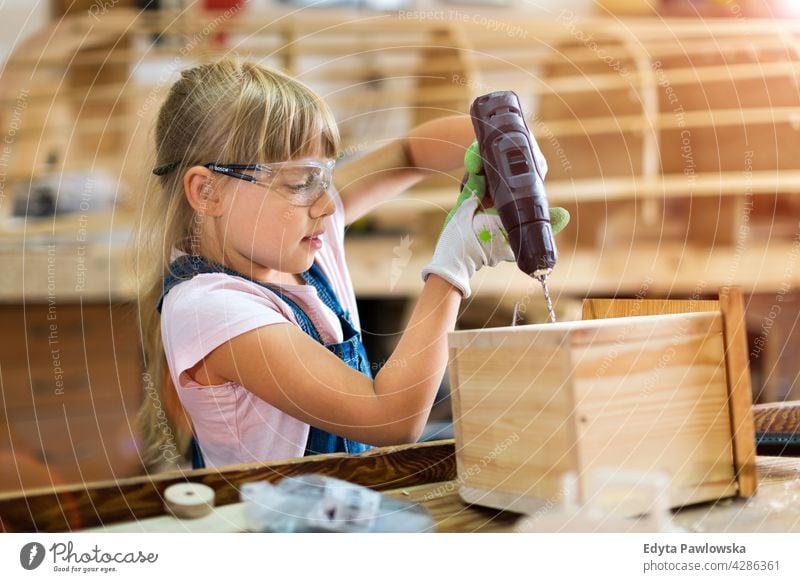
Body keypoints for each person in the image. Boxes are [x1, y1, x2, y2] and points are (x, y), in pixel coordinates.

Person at [135, 57, 566, 470]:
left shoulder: (302, 238)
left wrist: (495, 140)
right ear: (207, 192)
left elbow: (407, 154)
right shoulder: (210, 309)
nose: (326, 201)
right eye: (301, 182)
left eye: (325, 175)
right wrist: (454, 267)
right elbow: (391, 419)